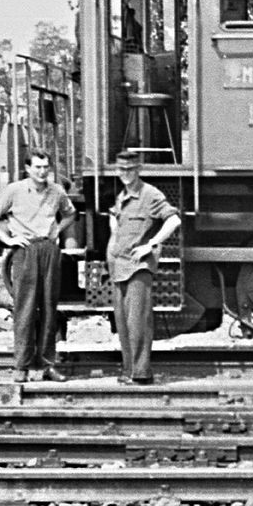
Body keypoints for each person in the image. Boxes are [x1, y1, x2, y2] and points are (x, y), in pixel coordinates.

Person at [0, 150, 77, 383]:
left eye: (45, 167)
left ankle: (47, 365)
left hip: (49, 251)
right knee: (25, 310)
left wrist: (57, 230)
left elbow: (71, 214)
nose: (42, 171)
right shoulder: (14, 190)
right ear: (28, 169)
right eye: (37, 167)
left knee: (49, 309)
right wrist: (8, 240)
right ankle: (21, 366)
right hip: (25, 251)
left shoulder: (56, 191)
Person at [108, 150, 181, 384]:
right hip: (119, 267)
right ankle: (130, 371)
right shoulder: (122, 196)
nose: (126, 173)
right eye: (121, 169)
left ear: (138, 169)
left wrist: (151, 244)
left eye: (130, 169)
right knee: (123, 323)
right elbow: (115, 221)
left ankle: (141, 373)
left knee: (137, 322)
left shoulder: (150, 194)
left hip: (138, 268)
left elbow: (174, 220)